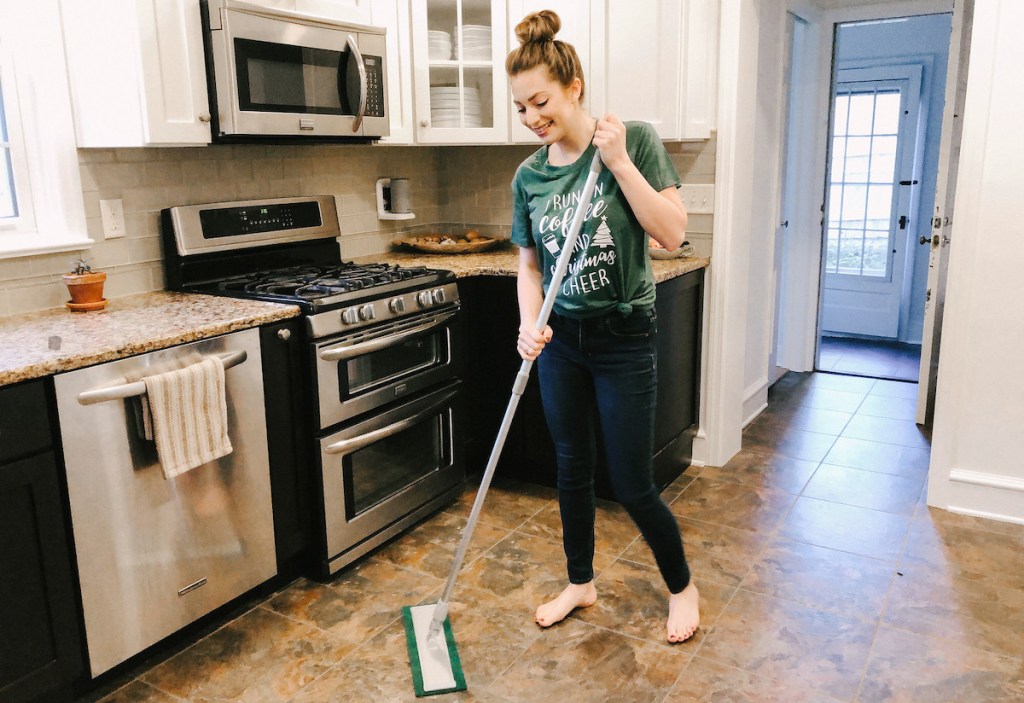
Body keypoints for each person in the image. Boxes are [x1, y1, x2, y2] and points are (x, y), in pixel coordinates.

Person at [505, 10, 700, 644]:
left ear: (574, 87)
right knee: (571, 470)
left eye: (541, 100)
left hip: (623, 339)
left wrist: (617, 163)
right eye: (521, 108)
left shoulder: (631, 139)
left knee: (633, 481)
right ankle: (580, 582)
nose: (533, 117)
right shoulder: (529, 176)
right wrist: (526, 325)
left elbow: (672, 233)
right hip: (562, 343)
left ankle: (681, 587)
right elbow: (529, 263)